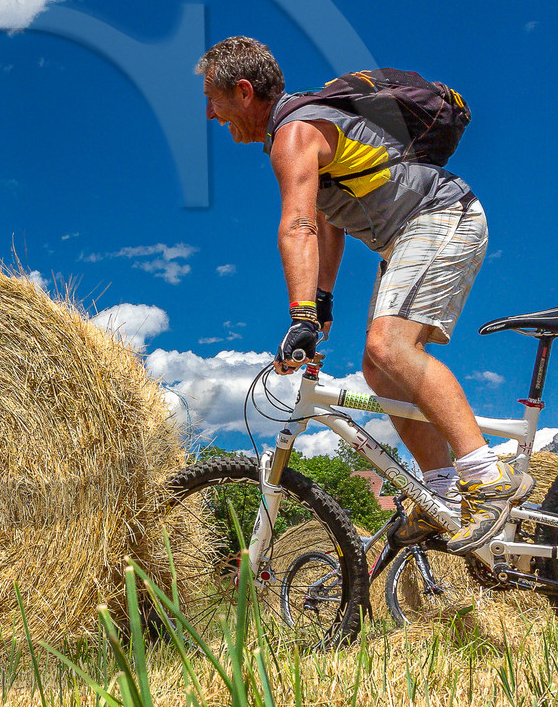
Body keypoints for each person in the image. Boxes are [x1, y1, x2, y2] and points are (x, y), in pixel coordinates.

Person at [196, 36, 529, 553]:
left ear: (243, 91)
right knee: (378, 368)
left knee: (389, 346)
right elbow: (329, 222)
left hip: (439, 216)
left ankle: (487, 477)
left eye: (212, 100)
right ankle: (441, 491)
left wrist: (301, 317)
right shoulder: (305, 127)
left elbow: (299, 226)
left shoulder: (295, 133)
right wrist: (321, 302)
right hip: (411, 233)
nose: (211, 115)